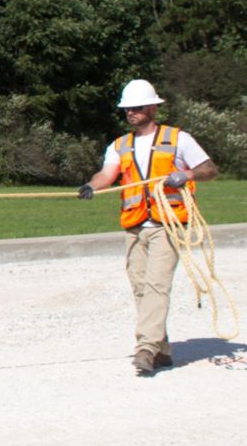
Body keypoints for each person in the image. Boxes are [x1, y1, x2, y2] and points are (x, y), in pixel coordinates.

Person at [78, 79, 217, 376]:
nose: (131, 113)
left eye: (137, 107)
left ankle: (146, 348)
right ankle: (162, 350)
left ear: (154, 107)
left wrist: (187, 174)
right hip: (135, 225)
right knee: (141, 288)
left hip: (168, 224)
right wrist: (91, 185)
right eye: (127, 109)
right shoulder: (120, 145)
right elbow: (107, 174)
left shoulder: (179, 139)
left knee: (156, 285)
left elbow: (209, 169)